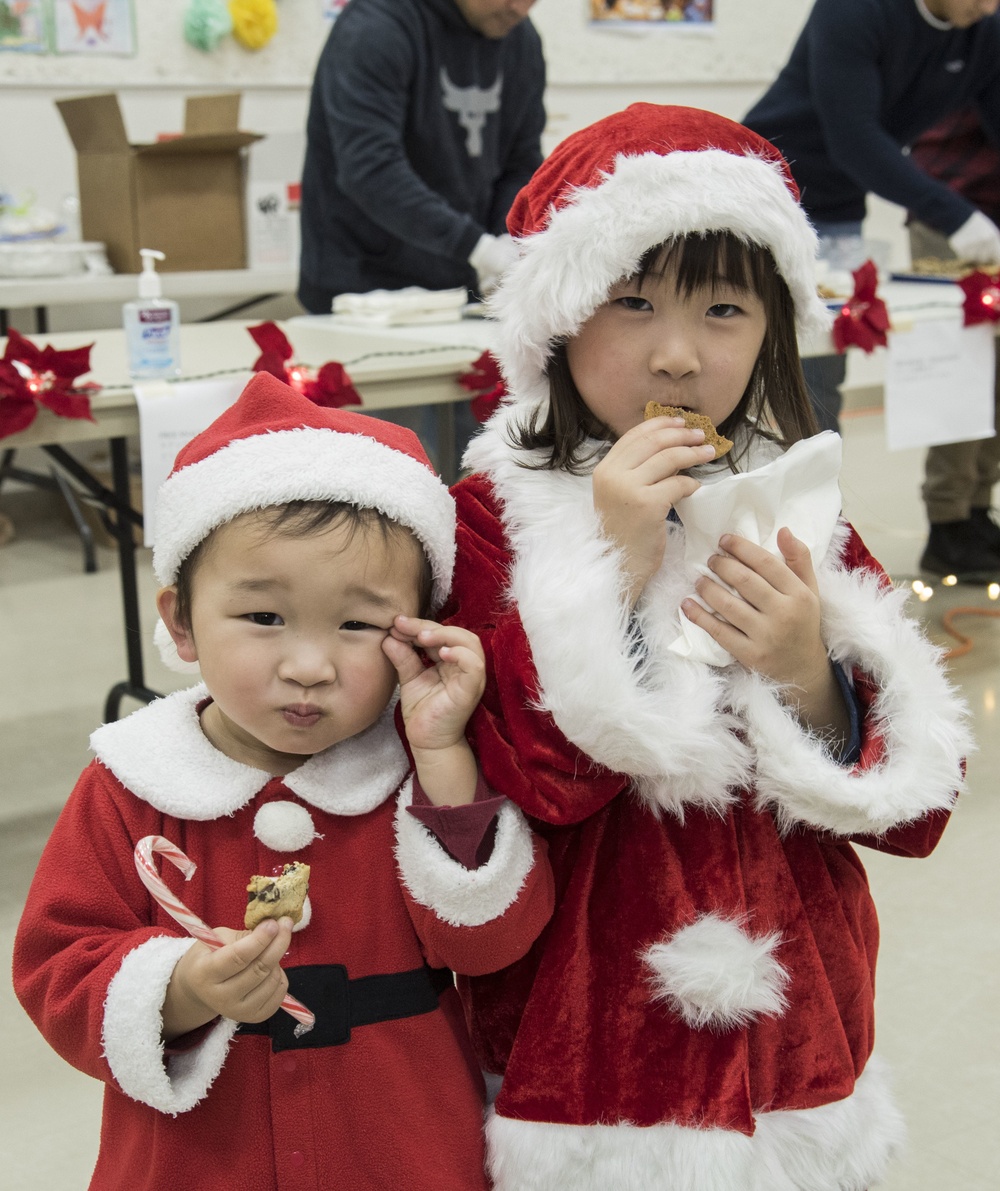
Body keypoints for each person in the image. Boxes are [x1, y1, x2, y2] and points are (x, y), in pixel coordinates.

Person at [443, 104, 971, 1189]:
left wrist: (804, 673)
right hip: (586, 1043)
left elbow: (915, 809)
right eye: (631, 302)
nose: (676, 354)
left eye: (723, 309)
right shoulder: (487, 519)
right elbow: (525, 785)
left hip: (796, 1026)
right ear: (556, 315)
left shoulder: (799, 510)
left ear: (772, 333)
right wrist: (612, 564)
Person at [12, 372, 554, 1191]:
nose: (308, 666)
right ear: (181, 621)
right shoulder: (131, 784)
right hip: (196, 1159)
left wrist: (445, 759)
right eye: (263, 617)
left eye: (358, 623)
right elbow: (57, 964)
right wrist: (179, 986)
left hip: (400, 1146)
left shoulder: (418, 776)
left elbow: (493, 947)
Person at [742, 0, 1000, 446]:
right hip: (764, 198)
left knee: (821, 377)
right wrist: (957, 218)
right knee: (769, 373)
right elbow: (853, 138)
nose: (989, 6)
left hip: (839, 207)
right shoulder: (854, 9)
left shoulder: (982, 28)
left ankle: (824, 508)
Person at [298, 0, 545, 314]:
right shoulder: (374, 27)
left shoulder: (521, 40)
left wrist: (508, 237)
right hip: (360, 293)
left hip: (462, 290)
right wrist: (479, 249)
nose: (522, 9)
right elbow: (371, 170)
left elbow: (521, 161)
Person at [908, 106, 1000, 580]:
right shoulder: (982, 40)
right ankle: (947, 521)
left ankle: (977, 509)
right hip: (953, 213)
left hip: (988, 207)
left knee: (993, 378)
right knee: (958, 371)